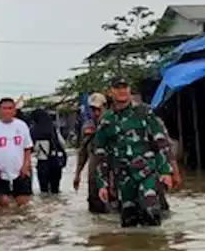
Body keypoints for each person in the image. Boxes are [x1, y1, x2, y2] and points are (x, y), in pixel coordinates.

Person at [88, 78, 175, 228]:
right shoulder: (106, 120)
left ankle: (157, 248)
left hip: (146, 171)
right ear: (110, 92)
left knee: (150, 212)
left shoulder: (144, 112)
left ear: (129, 90)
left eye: (125, 87)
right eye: (118, 87)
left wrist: (166, 171)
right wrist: (102, 184)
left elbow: (160, 142)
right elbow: (100, 154)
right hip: (123, 176)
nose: (122, 91)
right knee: (129, 219)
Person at [0, 97, 34, 208]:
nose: (7, 111)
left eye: (10, 108)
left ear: (14, 110)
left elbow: (27, 148)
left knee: (24, 205)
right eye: (4, 108)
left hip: (20, 172)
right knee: (3, 205)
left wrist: (26, 166)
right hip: (0, 173)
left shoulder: (22, 126)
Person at [72, 92, 112, 213]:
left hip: (112, 174)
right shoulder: (87, 127)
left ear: (106, 107)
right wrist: (77, 175)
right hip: (94, 175)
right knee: (95, 211)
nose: (96, 113)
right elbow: (83, 152)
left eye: (99, 109)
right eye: (93, 109)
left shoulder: (114, 124)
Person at [29, 108, 66, 194]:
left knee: (44, 193)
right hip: (56, 163)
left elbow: (31, 148)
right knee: (55, 191)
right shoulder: (53, 129)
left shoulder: (34, 131)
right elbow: (62, 145)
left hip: (43, 164)